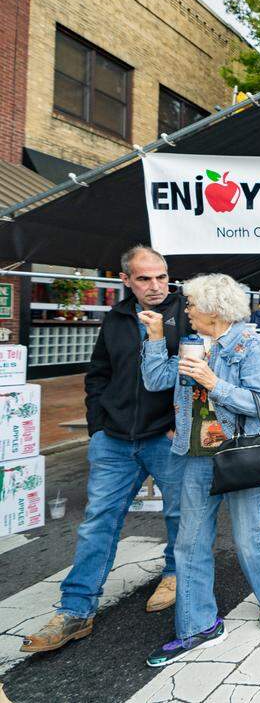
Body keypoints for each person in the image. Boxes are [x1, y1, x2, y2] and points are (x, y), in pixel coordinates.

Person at [21, 247, 187, 655]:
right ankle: (75, 611)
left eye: (161, 277)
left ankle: (174, 572)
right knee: (98, 522)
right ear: (126, 281)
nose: (155, 286)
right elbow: (99, 373)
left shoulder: (184, 314)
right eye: (145, 278)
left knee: (181, 511)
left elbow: (194, 375)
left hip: (163, 436)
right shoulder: (115, 318)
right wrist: (97, 426)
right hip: (113, 438)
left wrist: (179, 423)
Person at [138, 273, 260, 666]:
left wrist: (213, 381)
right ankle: (198, 626)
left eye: (191, 304)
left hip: (240, 455)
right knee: (189, 542)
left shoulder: (252, 347)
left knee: (246, 534)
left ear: (214, 310)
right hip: (195, 456)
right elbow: (156, 380)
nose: (186, 311)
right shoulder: (191, 344)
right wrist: (154, 338)